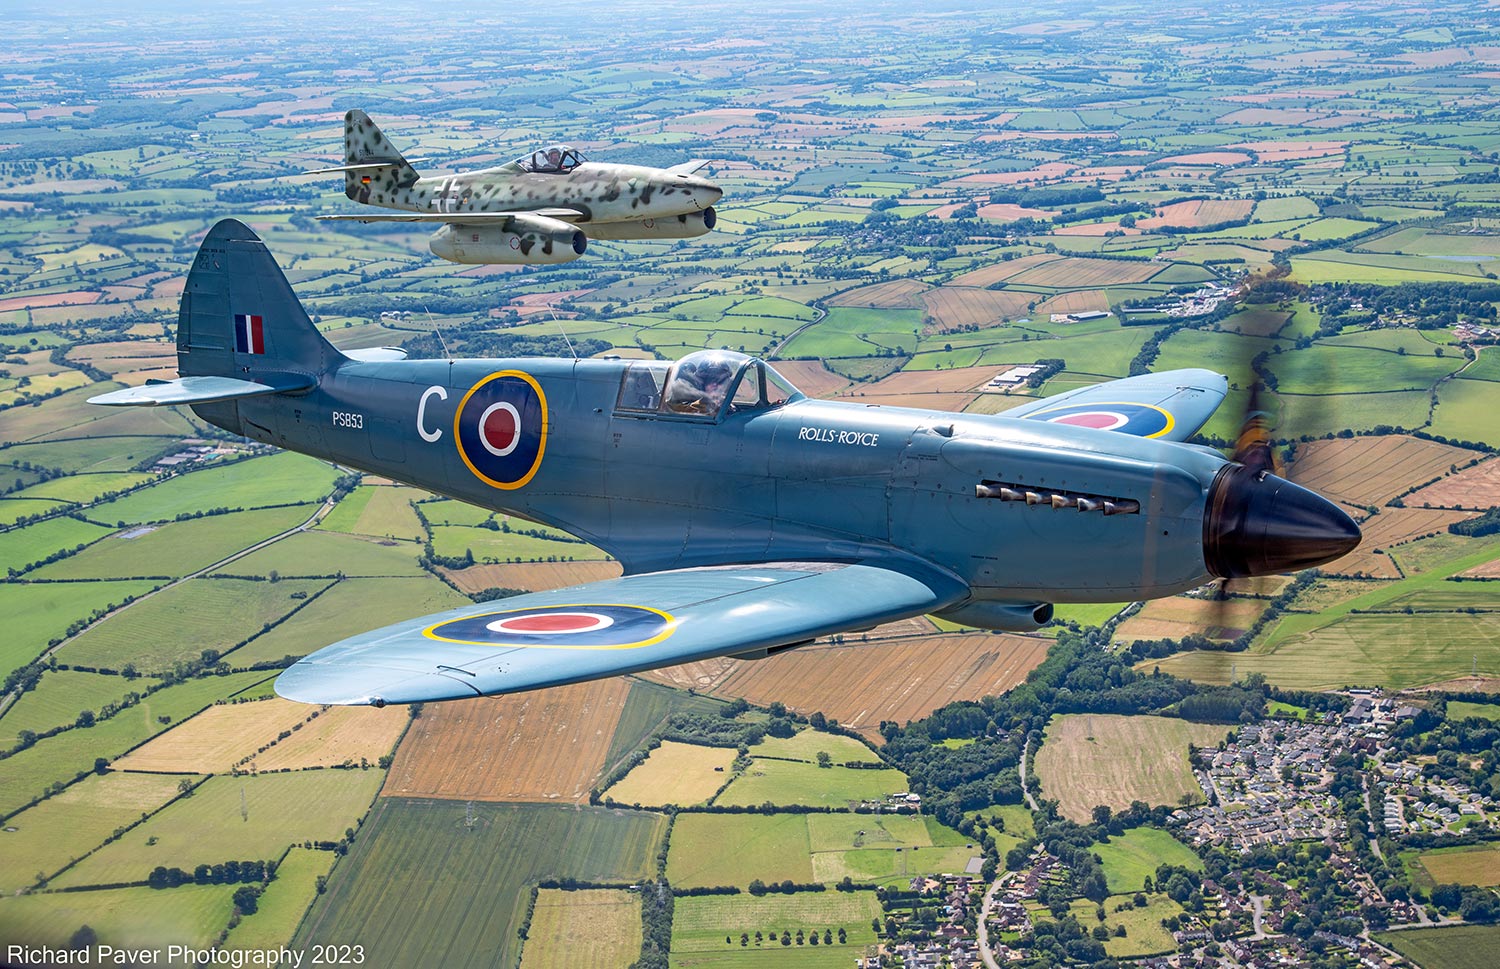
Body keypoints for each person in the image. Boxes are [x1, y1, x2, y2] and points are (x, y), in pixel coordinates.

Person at [665, 359, 733, 414]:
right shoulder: (689, 408)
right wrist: (709, 400)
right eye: (711, 380)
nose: (716, 386)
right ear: (702, 384)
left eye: (722, 381)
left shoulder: (727, 406)